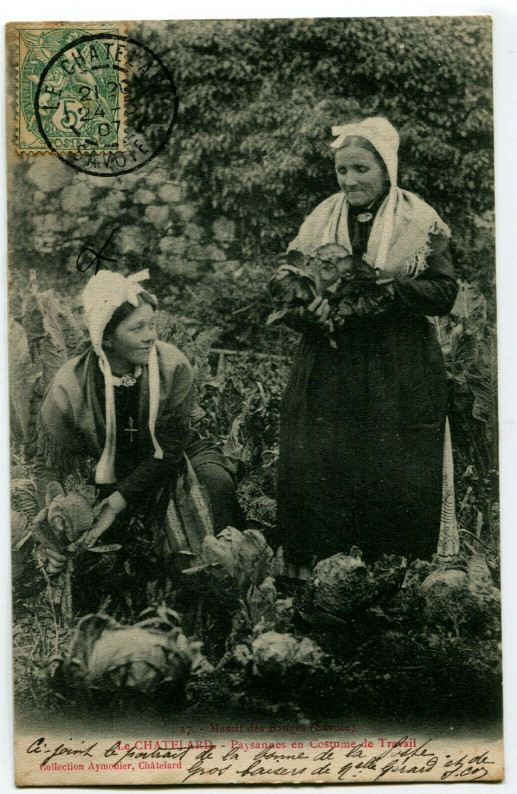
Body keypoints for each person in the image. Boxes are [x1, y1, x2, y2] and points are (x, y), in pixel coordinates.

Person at [276, 117, 459, 575]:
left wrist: (387, 289)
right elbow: (287, 283)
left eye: (361, 169)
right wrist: (307, 314)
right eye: (342, 171)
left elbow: (444, 292)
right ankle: (322, 580)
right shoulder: (322, 218)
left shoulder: (418, 221)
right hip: (329, 368)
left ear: (386, 168)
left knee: (391, 471)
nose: (350, 181)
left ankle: (389, 583)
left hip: (396, 370)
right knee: (324, 468)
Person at [33, 269, 245, 596]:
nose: (150, 336)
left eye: (152, 325)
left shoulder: (172, 366)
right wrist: (56, 519)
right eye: (137, 328)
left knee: (216, 484)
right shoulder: (70, 385)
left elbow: (170, 449)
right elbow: (49, 462)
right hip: (107, 472)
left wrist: (119, 500)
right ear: (106, 337)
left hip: (175, 458)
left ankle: (224, 584)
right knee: (99, 567)